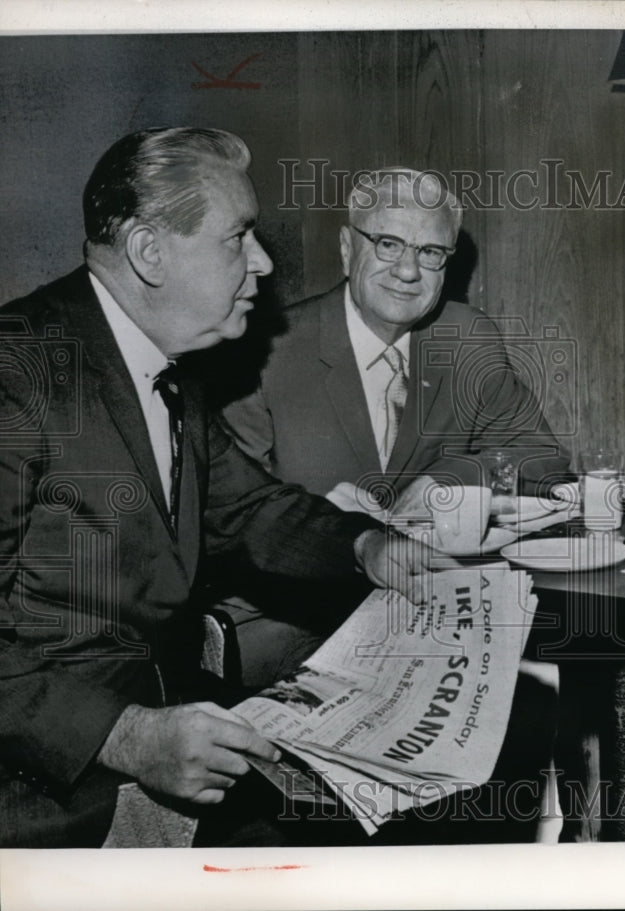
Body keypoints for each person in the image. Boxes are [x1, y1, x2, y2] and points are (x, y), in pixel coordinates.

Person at [0, 127, 441, 848]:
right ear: (150, 252)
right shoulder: (17, 372)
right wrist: (129, 737)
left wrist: (370, 548)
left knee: (395, 802)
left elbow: (247, 508)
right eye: (238, 238)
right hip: (48, 785)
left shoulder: (170, 368)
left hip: (164, 712)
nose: (264, 263)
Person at [217, 167, 570, 682]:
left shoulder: (466, 337)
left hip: (435, 610)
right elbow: (227, 516)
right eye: (387, 243)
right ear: (346, 248)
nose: (408, 271)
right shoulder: (266, 350)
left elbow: (545, 459)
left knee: (544, 686)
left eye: (430, 253)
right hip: (299, 619)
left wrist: (448, 480)